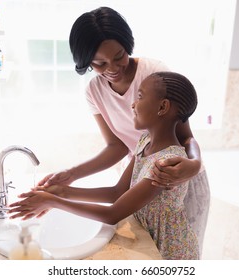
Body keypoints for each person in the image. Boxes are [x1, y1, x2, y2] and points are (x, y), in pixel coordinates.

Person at [38, 7, 210, 255]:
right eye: (99, 63)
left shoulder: (154, 77)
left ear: (127, 44)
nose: (112, 68)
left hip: (177, 178)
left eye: (119, 56)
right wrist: (70, 176)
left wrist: (193, 163)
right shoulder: (94, 91)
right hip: (141, 172)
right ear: (86, 61)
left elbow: (185, 135)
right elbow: (117, 146)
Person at [9, 71, 200, 260]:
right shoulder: (145, 141)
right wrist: (62, 191)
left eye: (140, 96)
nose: (133, 104)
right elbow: (118, 192)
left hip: (170, 253)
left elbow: (113, 214)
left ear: (163, 107)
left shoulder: (166, 164)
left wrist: (52, 201)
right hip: (150, 240)